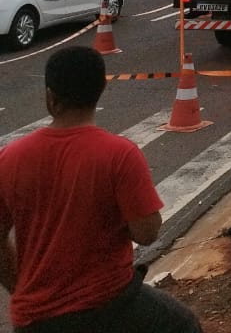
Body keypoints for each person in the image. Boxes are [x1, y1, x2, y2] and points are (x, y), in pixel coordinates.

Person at [0, 46, 203, 332]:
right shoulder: (119, 154)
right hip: (109, 305)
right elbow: (147, 233)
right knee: (183, 324)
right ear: (100, 91)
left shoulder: (10, 157)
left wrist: (20, 286)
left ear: (50, 97)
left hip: (33, 317)